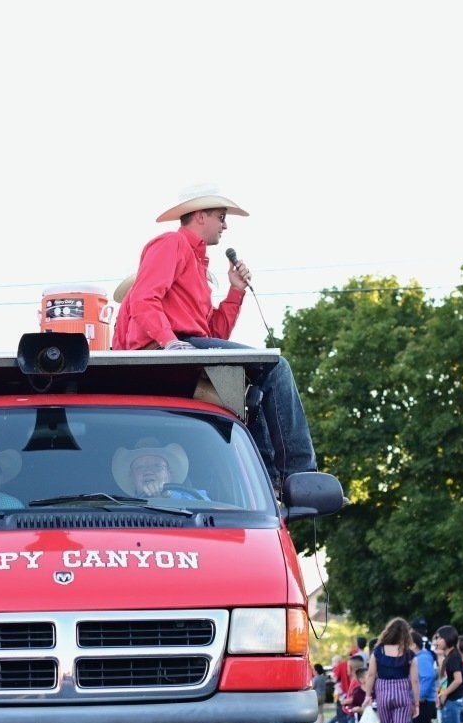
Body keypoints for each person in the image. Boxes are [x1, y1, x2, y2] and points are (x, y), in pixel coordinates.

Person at [110, 184, 317, 481]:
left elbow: (214, 333)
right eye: (221, 217)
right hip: (169, 348)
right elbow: (144, 298)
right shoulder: (171, 243)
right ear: (200, 216)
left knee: (252, 394)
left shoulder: (197, 266)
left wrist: (235, 290)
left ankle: (272, 484)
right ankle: (303, 475)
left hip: (188, 346)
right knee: (276, 367)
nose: (225, 225)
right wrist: (170, 342)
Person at [362, 617, 420, 723]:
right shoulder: (410, 655)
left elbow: (371, 675)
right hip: (403, 693)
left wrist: (368, 695)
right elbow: (415, 681)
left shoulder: (378, 652)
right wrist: (416, 703)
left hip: (383, 693)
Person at [111, 439, 208, 503]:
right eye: (140, 467)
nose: (148, 471)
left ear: (169, 475)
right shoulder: (121, 509)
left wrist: (169, 496)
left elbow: (208, 507)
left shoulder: (193, 497)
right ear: (132, 477)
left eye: (157, 466)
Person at [411, 633, 438, 723]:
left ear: (413, 644)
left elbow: (427, 677)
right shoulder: (421, 657)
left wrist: (419, 696)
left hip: (425, 701)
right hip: (423, 700)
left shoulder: (422, 658)